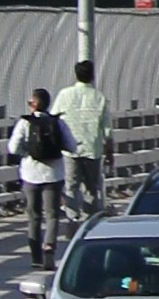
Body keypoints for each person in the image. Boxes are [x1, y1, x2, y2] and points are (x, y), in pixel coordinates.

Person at [13, 84, 69, 268]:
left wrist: (27, 153)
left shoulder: (25, 122)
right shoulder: (58, 122)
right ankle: (49, 248)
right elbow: (72, 146)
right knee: (52, 215)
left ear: (34, 105)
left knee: (34, 216)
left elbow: (12, 148)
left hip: (30, 174)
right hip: (53, 175)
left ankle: (36, 257)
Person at [53, 64, 111, 221]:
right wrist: (110, 153)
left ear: (76, 75)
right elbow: (106, 130)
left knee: (71, 186)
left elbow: (54, 120)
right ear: (92, 76)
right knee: (91, 188)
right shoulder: (99, 97)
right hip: (92, 149)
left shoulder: (64, 95)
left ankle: (72, 220)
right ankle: (89, 221)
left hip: (69, 149)